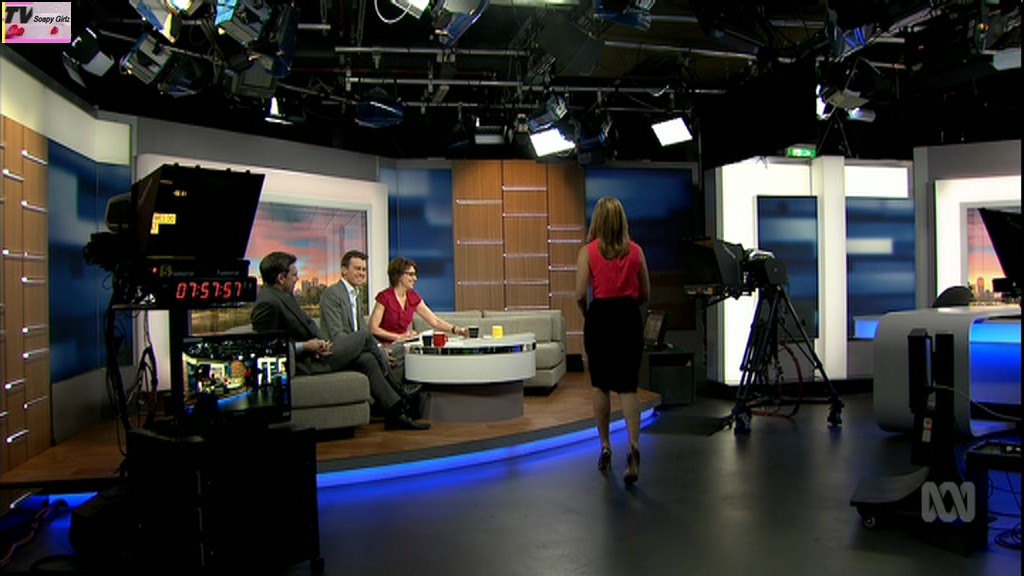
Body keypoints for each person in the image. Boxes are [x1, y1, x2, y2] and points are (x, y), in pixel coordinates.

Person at [251, 251, 429, 431]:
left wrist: (319, 343)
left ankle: (395, 414)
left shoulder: (283, 297)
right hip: (307, 361)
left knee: (367, 360)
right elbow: (268, 348)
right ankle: (399, 389)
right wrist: (305, 346)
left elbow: (309, 329)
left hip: (320, 350)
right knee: (364, 336)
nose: (297, 279)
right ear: (281, 278)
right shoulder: (267, 303)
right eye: (294, 275)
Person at [574, 196, 650, 485]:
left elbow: (579, 294)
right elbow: (646, 294)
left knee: (600, 385)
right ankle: (634, 444)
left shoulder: (588, 252)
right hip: (628, 318)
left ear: (597, 221)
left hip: (600, 319)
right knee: (628, 388)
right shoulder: (637, 252)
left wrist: (587, 314)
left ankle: (605, 445)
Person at [320, 250, 420, 397]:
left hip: (358, 348)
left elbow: (361, 329)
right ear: (344, 270)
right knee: (373, 357)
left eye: (364, 269)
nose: (362, 273)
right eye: (357, 269)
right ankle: (399, 391)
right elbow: (337, 336)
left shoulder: (357, 295)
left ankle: (399, 400)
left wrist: (380, 348)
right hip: (339, 352)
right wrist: (376, 350)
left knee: (398, 351)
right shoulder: (332, 294)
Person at [369, 258, 470, 382]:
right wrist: (399, 336)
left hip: (403, 346)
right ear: (399, 275)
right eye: (411, 274)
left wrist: (457, 330)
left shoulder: (413, 297)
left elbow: (435, 321)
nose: (415, 278)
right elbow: (373, 328)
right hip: (387, 348)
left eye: (415, 275)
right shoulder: (384, 297)